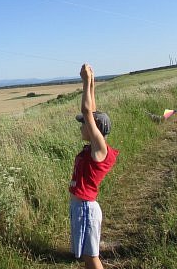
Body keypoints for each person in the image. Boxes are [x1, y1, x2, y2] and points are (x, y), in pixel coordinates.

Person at [69, 64, 119, 269]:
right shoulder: (95, 147)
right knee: (87, 256)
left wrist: (85, 82)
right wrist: (93, 85)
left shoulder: (100, 151)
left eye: (85, 124)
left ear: (94, 129)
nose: (82, 126)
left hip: (85, 209)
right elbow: (93, 113)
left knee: (91, 258)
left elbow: (88, 111)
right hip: (79, 207)